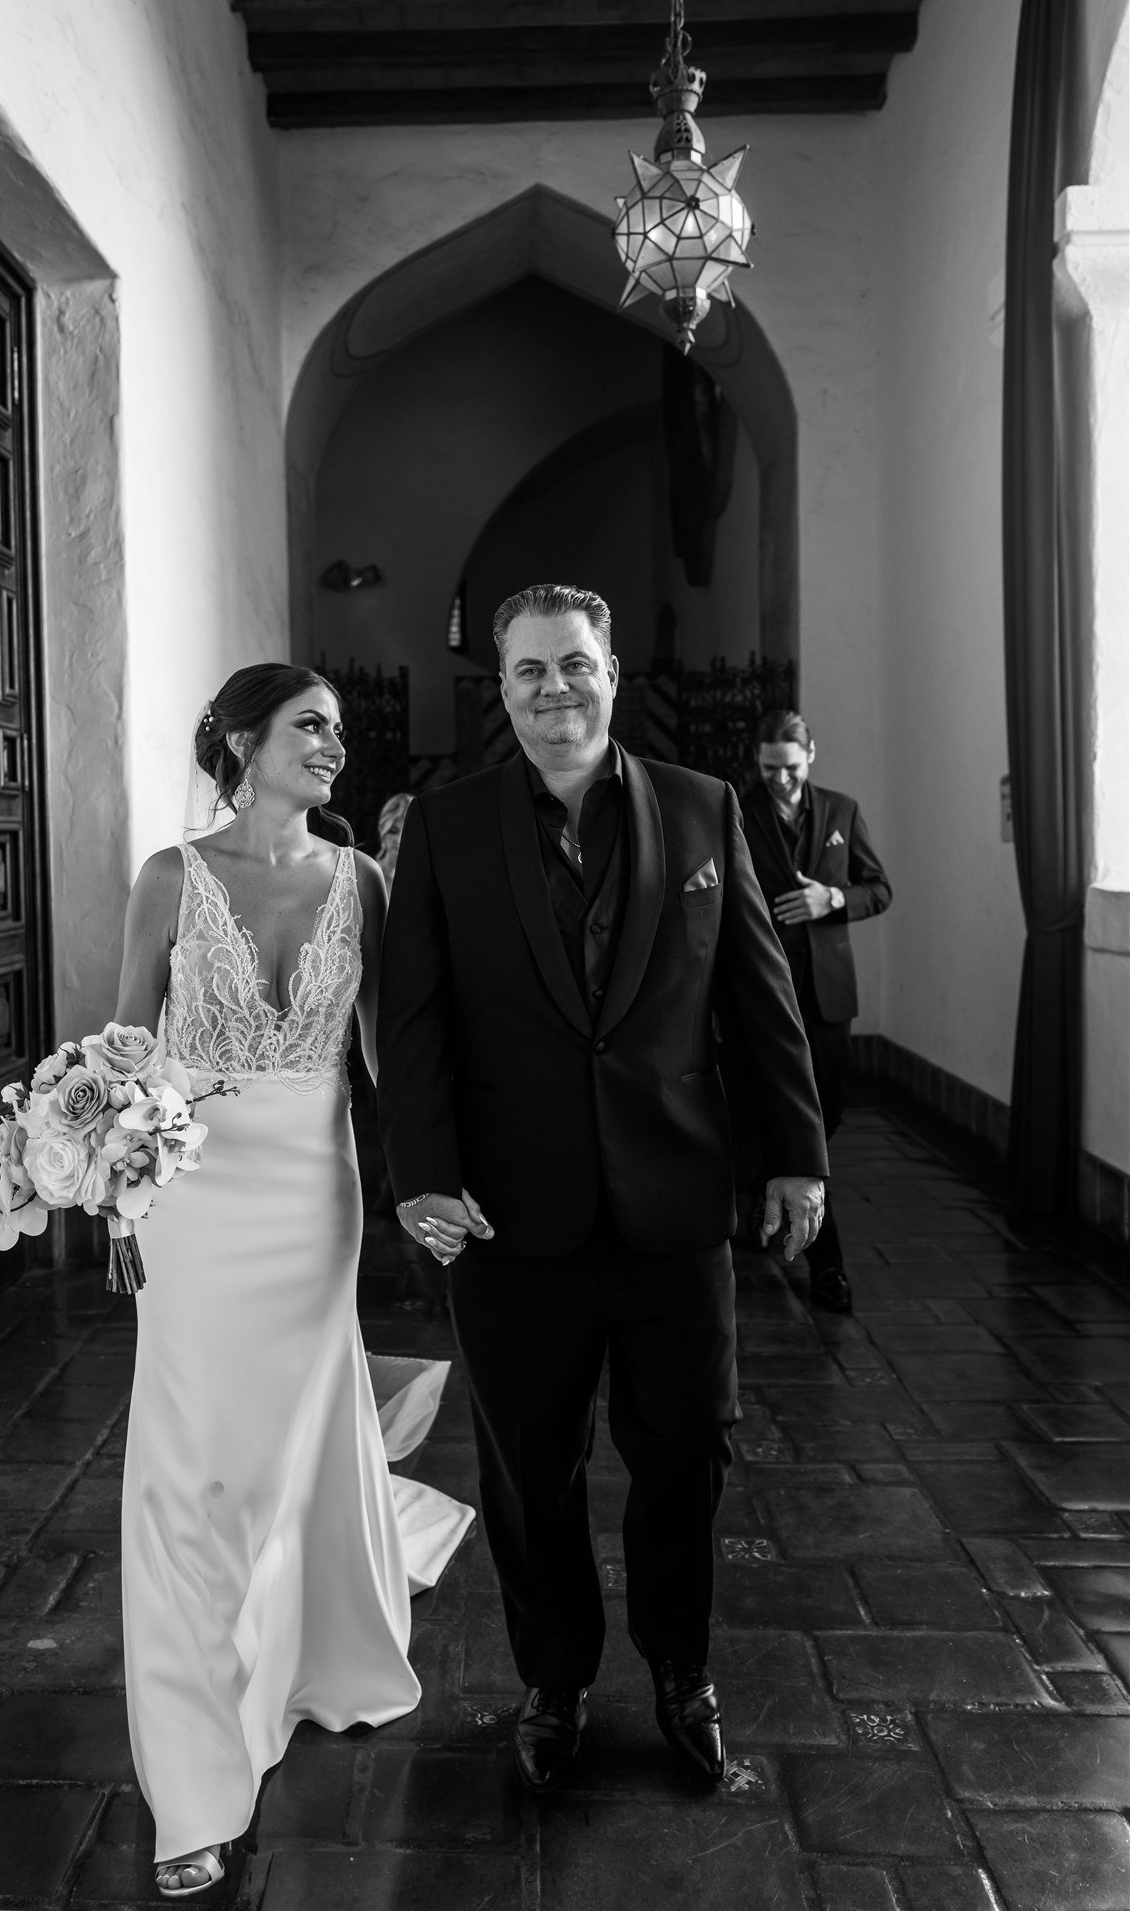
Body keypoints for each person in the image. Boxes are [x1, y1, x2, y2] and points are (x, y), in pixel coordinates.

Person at [376, 584, 828, 1797]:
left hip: (674, 1209)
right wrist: (422, 1176)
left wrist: (794, 1151)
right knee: (529, 1467)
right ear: (501, 689)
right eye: (526, 671)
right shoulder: (445, 827)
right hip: (508, 1216)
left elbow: (758, 995)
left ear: (612, 672)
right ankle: (554, 1679)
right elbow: (411, 1022)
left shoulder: (701, 808)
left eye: (573, 664)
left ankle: (682, 1671)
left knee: (686, 1457)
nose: (552, 689)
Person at [114, 664, 471, 1898]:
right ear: (239, 741)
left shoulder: (359, 880)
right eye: (307, 725)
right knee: (194, 1463)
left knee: (293, 1441)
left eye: (334, 726)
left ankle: (312, 1648)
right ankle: (199, 1768)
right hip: (190, 1206)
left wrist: (436, 1176)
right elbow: (122, 1051)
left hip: (313, 1202)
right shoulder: (171, 877)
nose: (333, 742)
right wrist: (111, 1179)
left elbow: (387, 1057)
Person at [741, 710, 893, 1316]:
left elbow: (878, 889)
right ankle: (828, 1266)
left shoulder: (842, 811)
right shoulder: (734, 808)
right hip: (761, 995)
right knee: (765, 1121)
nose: (780, 780)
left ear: (811, 757)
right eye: (769, 768)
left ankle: (779, 1205)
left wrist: (831, 898)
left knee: (823, 1121)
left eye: (791, 768)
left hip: (827, 1001)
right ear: (757, 759)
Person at [375, 791, 414, 893]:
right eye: (393, 831)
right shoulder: (370, 875)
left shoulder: (424, 881)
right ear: (383, 831)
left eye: (406, 832)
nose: (399, 839)